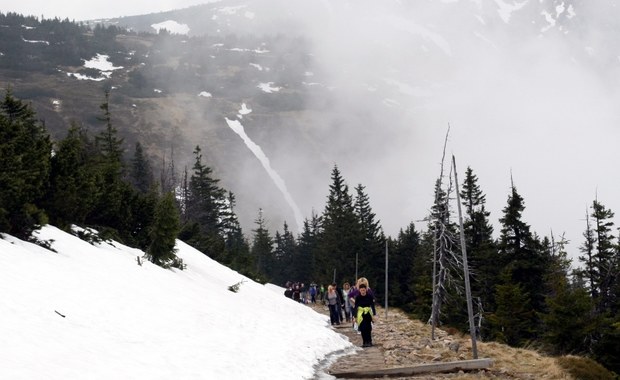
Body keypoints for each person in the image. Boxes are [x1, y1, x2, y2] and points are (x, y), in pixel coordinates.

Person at [354, 279, 376, 347]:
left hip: (368, 313)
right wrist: (355, 316)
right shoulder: (358, 297)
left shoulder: (369, 296)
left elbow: (372, 305)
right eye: (361, 290)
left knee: (368, 328)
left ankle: (369, 341)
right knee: (362, 328)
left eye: (364, 290)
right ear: (359, 290)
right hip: (361, 314)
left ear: (366, 289)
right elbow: (356, 306)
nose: (362, 291)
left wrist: (374, 315)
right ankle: (364, 342)